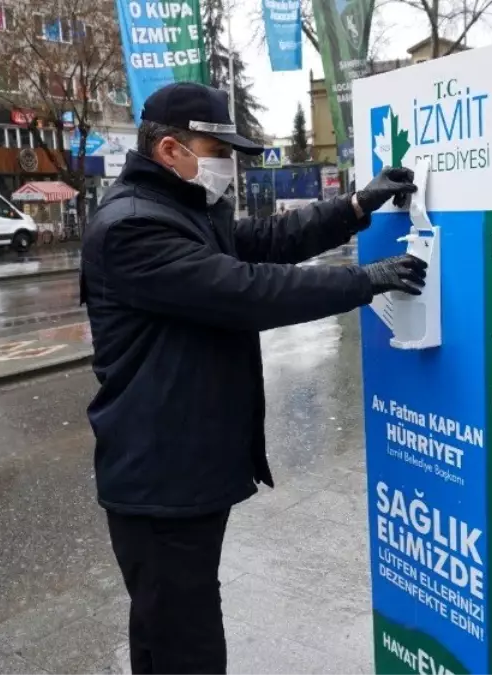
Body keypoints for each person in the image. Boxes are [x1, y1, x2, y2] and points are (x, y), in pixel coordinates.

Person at [79, 81, 428, 675]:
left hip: (178, 467)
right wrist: (364, 281)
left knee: (168, 626)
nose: (228, 168)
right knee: (183, 641)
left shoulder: (180, 209)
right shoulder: (134, 227)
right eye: (218, 153)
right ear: (170, 150)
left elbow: (267, 242)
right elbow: (246, 290)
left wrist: (355, 206)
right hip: (159, 477)